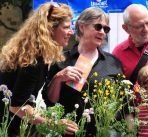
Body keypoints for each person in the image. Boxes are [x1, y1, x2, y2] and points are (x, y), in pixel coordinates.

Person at [0, 2, 77, 136]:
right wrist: (54, 124)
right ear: (50, 28)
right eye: (66, 27)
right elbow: (17, 107)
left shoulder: (33, 53)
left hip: (0, 124)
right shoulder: (33, 60)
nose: (71, 32)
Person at [42, 7, 124, 137]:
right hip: (70, 133)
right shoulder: (60, 60)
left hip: (105, 133)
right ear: (81, 27)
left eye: (106, 29)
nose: (102, 32)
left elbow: (123, 102)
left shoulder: (113, 62)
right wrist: (58, 78)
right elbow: (51, 102)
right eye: (98, 27)